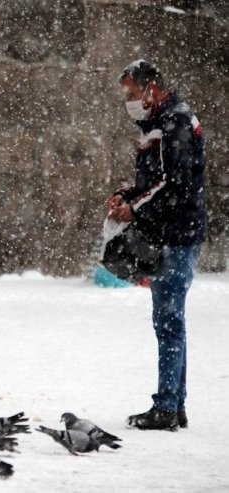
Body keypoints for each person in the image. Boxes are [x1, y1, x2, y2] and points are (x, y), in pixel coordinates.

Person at [108, 60, 206, 430]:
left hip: (177, 236)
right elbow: (156, 181)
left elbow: (175, 183)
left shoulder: (175, 122)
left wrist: (134, 209)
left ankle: (167, 407)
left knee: (169, 321)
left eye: (132, 94)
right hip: (171, 233)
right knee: (169, 321)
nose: (129, 102)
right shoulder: (159, 124)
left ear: (152, 88)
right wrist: (127, 194)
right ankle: (173, 405)